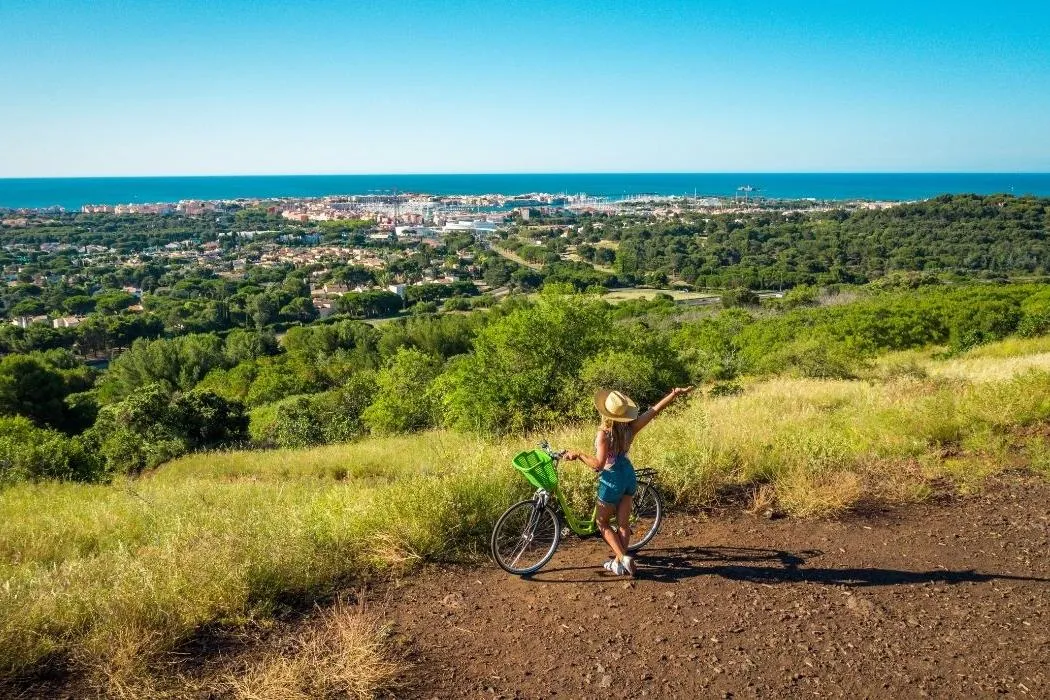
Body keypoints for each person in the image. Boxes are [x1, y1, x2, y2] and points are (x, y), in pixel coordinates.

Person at [564, 385, 694, 576]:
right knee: (623, 525)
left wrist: (578, 454)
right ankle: (618, 562)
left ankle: (623, 558)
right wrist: (674, 394)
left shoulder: (604, 434)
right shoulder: (630, 429)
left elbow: (598, 465)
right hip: (628, 475)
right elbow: (654, 410)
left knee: (603, 523)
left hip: (612, 479)